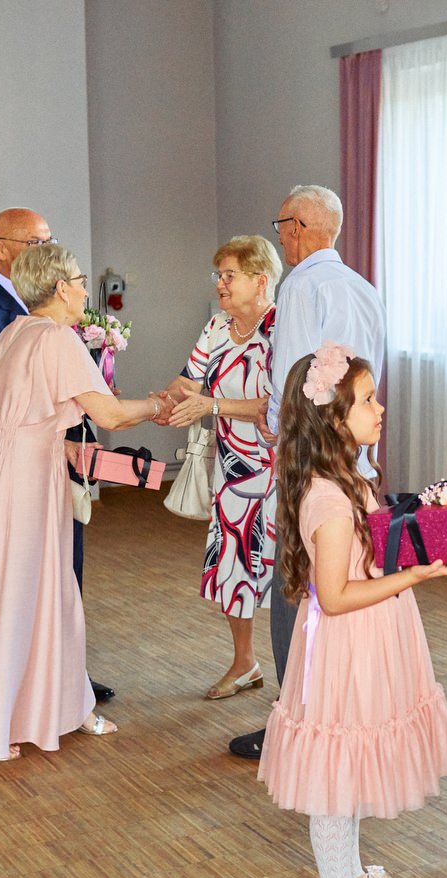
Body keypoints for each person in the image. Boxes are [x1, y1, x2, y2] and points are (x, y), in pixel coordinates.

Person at [0, 243, 171, 760]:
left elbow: (11, 413)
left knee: (16, 591)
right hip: (24, 477)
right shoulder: (57, 338)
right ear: (61, 288)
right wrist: (158, 405)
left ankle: (29, 710)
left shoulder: (15, 331)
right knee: (22, 593)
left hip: (1, 466)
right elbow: (109, 415)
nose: (85, 290)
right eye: (81, 281)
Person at [256, 346, 447, 878]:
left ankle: (348, 874)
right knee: (336, 769)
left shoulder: (350, 480)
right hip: (345, 644)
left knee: (352, 758)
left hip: (370, 637)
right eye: (368, 400)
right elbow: (336, 595)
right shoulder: (328, 499)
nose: (381, 408)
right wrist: (415, 576)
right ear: (334, 419)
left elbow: (374, 552)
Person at [228, 184, 387, 760]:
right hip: (354, 457)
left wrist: (274, 428)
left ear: (297, 228)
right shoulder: (363, 288)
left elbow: (294, 375)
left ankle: (292, 721)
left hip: (309, 458)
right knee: (344, 581)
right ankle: (339, 714)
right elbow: (366, 379)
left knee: (296, 582)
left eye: (281, 227)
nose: (280, 238)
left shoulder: (300, 285)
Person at [0, 208, 114, 702]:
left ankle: (59, 676)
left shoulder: (41, 317)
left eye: (49, 240)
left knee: (61, 572)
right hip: (20, 467)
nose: (46, 249)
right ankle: (26, 689)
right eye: (35, 242)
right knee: (21, 580)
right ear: (0, 248)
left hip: (54, 457)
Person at [164, 236, 281, 700]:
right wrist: (161, 402)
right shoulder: (216, 326)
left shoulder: (281, 328)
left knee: (285, 569)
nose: (220, 284)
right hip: (233, 469)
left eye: (229, 275)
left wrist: (212, 405)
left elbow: (277, 405)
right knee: (233, 564)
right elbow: (189, 382)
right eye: (219, 275)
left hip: (277, 469)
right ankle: (245, 662)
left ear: (261, 280)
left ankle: (302, 673)